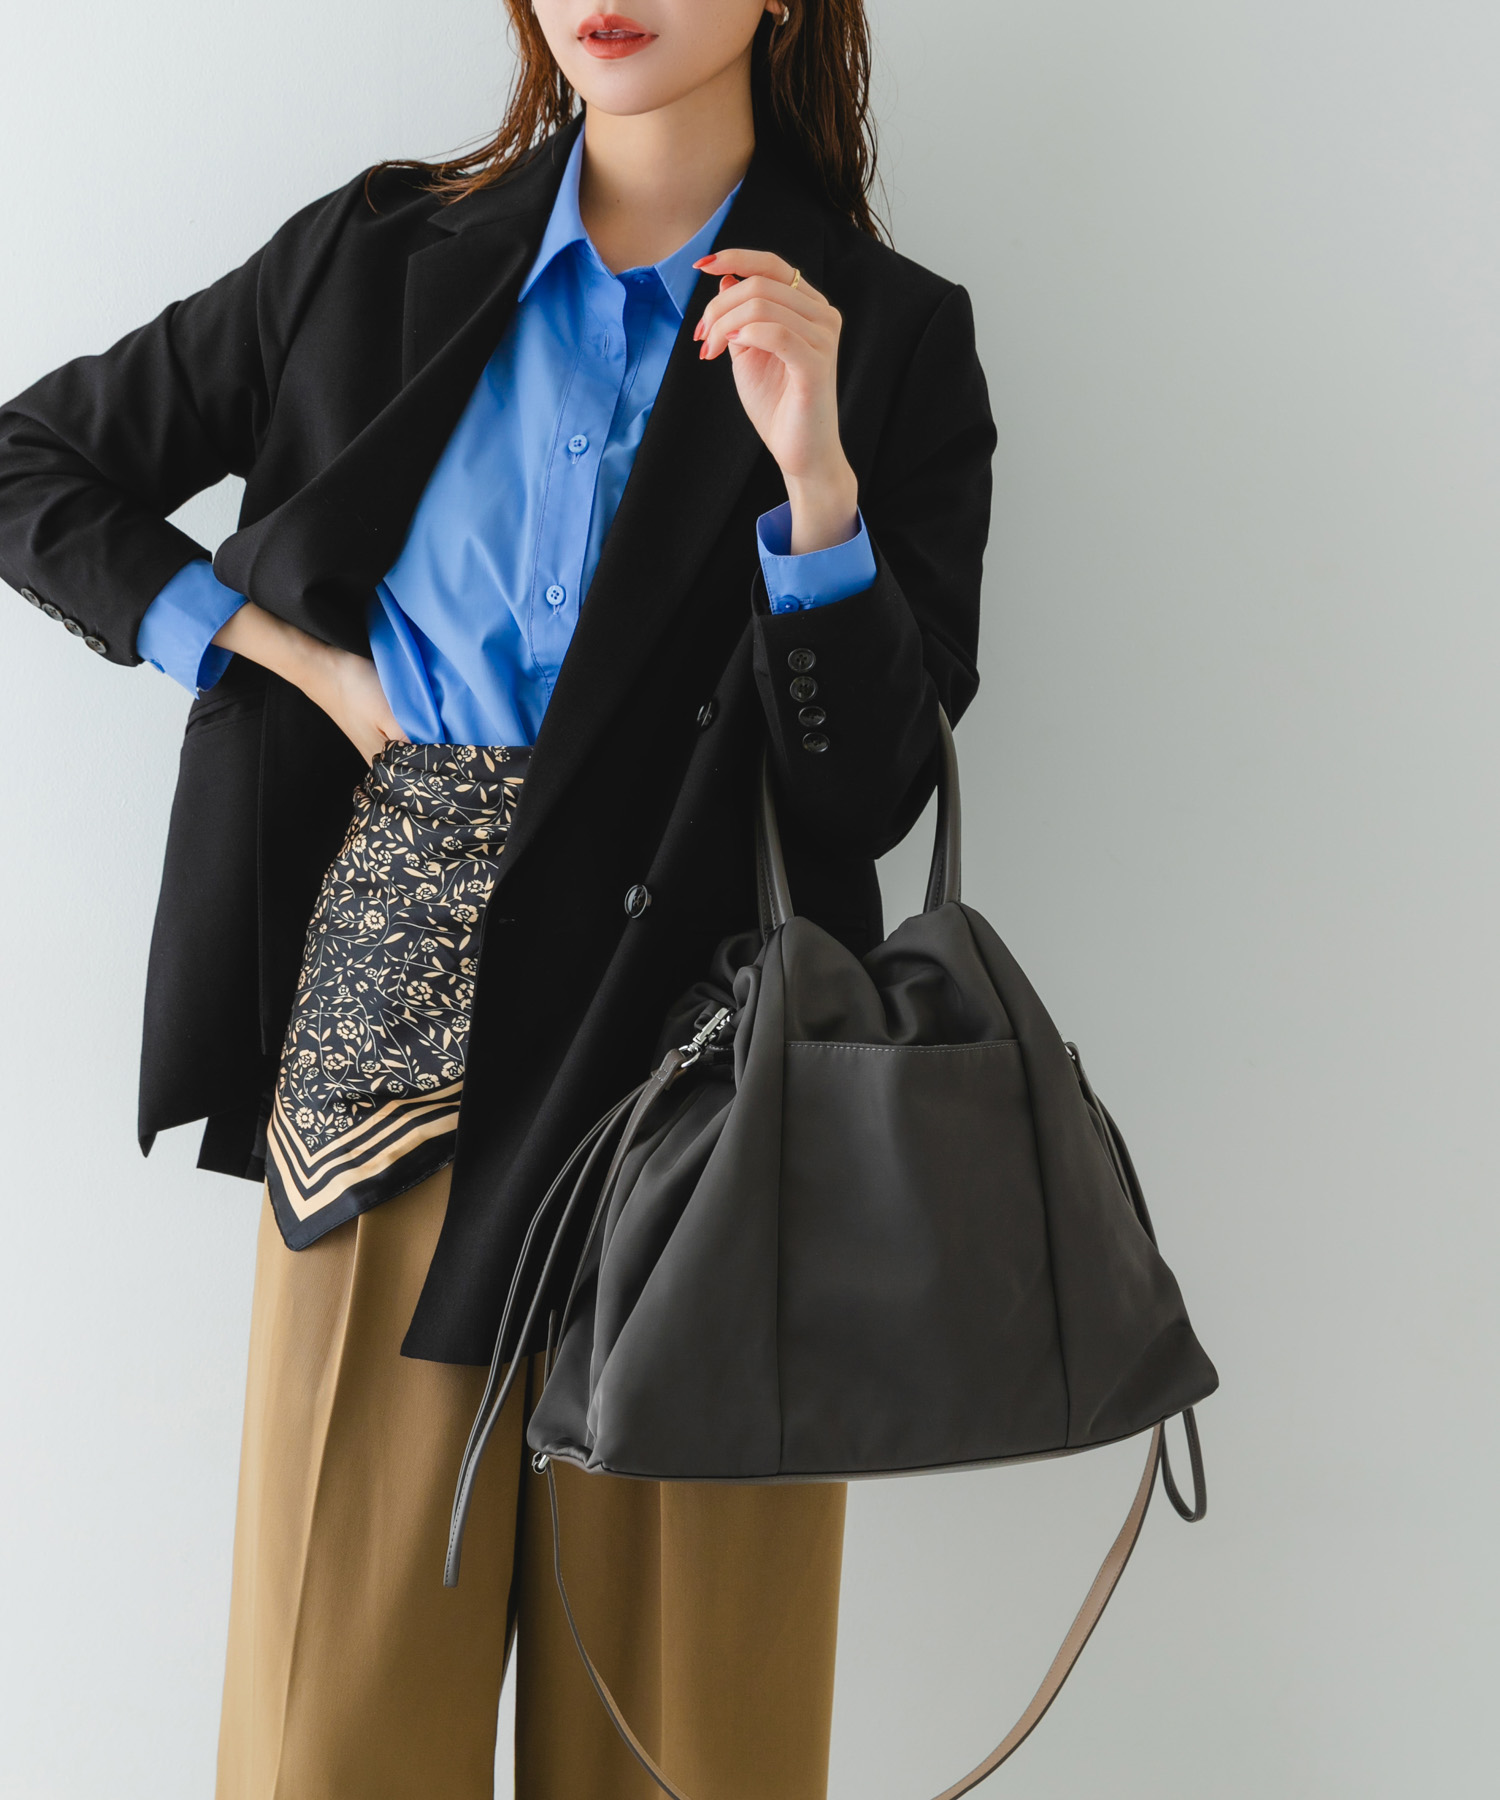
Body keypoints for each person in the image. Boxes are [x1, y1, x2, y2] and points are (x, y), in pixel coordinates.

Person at [0, 1, 995, 1794]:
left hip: (706, 1114)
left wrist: (816, 483)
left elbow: (867, 793)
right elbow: (32, 462)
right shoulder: (375, 256)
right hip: (389, 1072)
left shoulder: (884, 332)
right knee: (332, 1739)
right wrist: (284, 657)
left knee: (693, 1751)